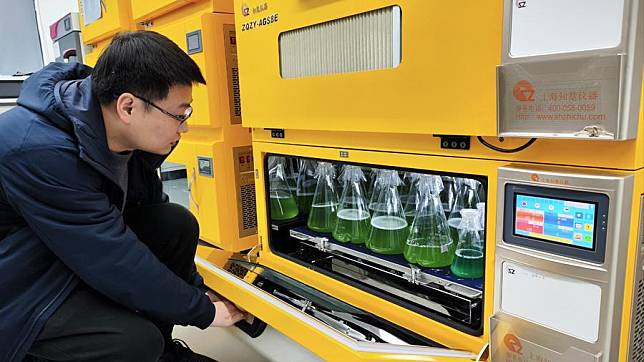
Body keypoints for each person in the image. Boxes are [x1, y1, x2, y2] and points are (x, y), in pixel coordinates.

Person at [0, 31, 246, 362]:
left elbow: (147, 211)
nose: (184, 128)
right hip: (17, 284)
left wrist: (195, 290)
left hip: (60, 245)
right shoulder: (37, 149)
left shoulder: (114, 126)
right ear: (128, 106)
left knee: (175, 223)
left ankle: (161, 351)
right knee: (132, 341)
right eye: (180, 114)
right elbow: (110, 256)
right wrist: (203, 311)